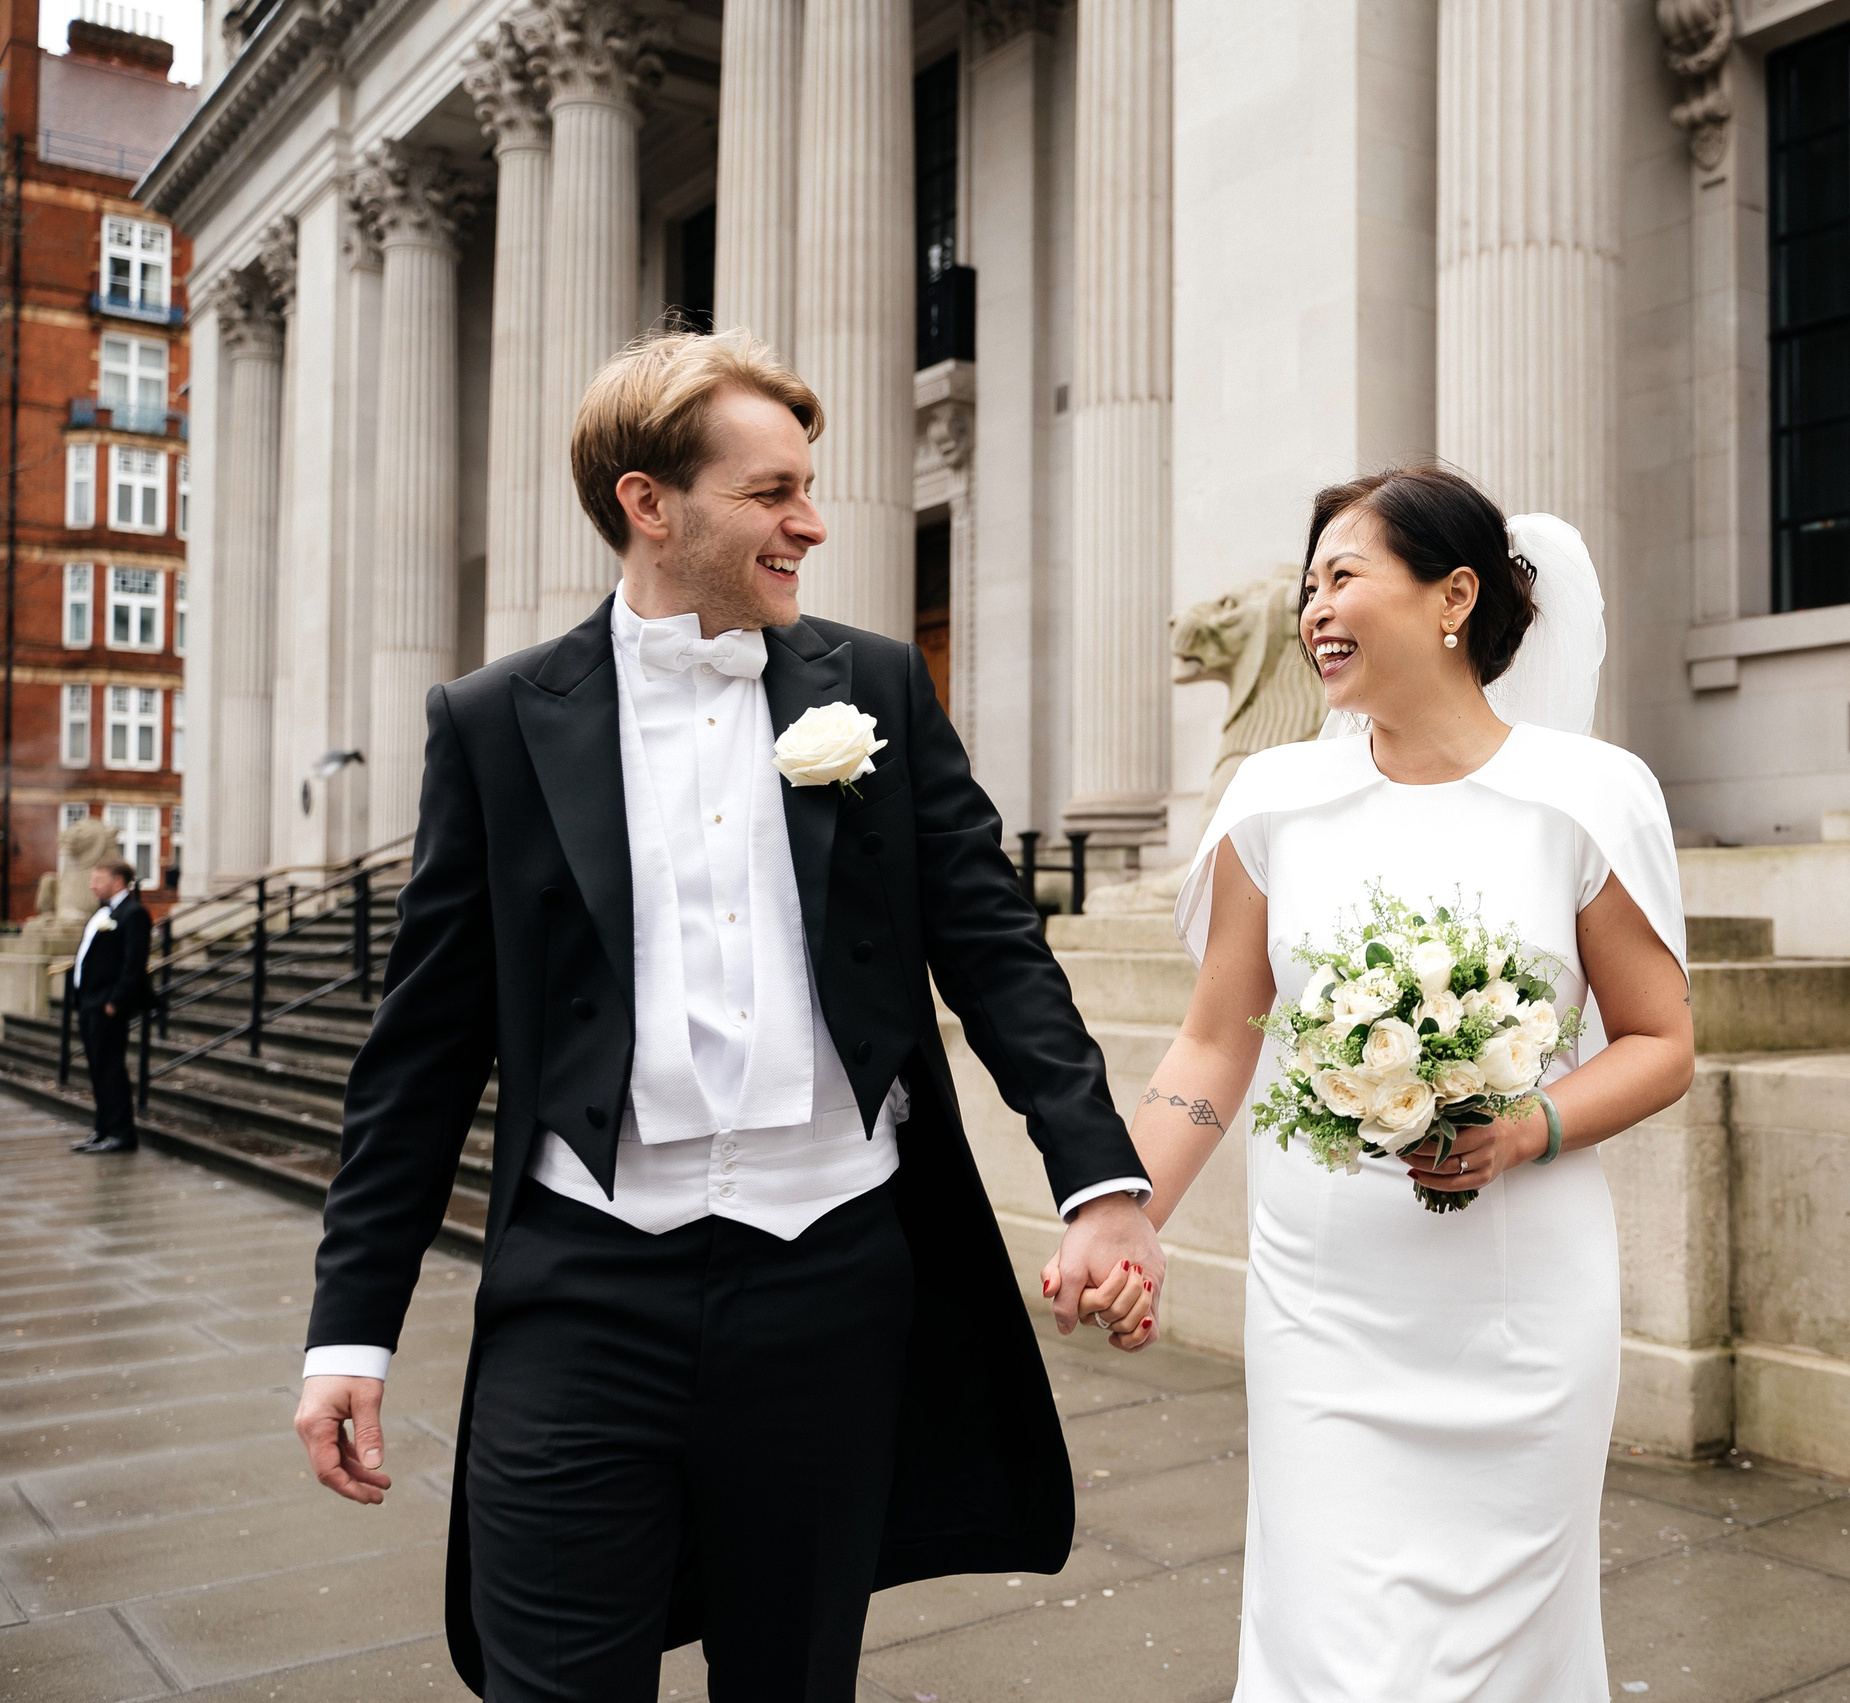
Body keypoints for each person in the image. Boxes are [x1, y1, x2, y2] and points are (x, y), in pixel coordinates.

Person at [291, 328, 1164, 1702]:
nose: (813, 520)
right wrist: (352, 1328)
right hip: (583, 1287)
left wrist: (1099, 1178)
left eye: (806, 486)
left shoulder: (872, 685)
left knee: (793, 1679)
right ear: (649, 503)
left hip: (831, 1281)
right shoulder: (496, 719)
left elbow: (995, 944)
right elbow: (422, 1049)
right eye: (773, 492)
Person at [1049, 464, 1695, 1700]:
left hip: (1519, 1316)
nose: (1314, 610)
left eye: (1343, 575)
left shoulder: (1589, 795)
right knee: (1331, 1650)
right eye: (1307, 585)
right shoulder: (1274, 798)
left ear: (1454, 595)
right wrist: (1119, 1209)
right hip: (1325, 1313)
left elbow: (1660, 1040)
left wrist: (1527, 1123)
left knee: (1498, 1658)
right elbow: (1215, 1040)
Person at [70, 857, 151, 1155]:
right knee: (97, 1069)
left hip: (107, 1005)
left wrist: (115, 1003)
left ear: (117, 881)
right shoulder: (104, 912)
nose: (92, 884)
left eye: (98, 879)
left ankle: (122, 1134)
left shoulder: (133, 913)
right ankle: (102, 1129)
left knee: (111, 1070)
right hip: (89, 1002)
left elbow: (134, 964)